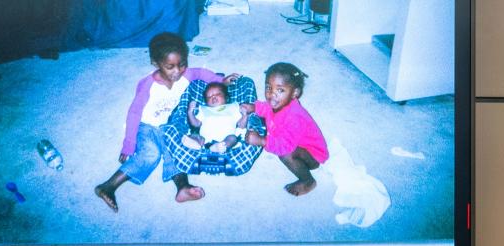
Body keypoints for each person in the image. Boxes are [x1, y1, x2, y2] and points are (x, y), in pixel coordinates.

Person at [94, 32, 241, 211]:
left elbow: (200, 73)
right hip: (145, 126)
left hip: (166, 126)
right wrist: (128, 144)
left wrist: (220, 81)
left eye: (182, 64)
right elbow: (134, 113)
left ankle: (182, 188)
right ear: (156, 64)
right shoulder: (148, 85)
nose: (177, 71)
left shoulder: (185, 74)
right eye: (170, 67)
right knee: (151, 154)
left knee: (175, 149)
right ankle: (108, 186)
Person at [243, 62, 329, 196]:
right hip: (297, 142)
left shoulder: (294, 117)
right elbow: (267, 107)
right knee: (266, 115)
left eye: (280, 90)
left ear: (295, 93)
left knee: (285, 155)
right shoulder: (280, 102)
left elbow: (284, 147)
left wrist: (261, 141)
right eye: (268, 87)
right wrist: (254, 107)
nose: (272, 94)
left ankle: (308, 181)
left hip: (312, 156)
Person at [181, 81, 250, 153]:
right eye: (209, 97)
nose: (213, 97)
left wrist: (245, 115)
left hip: (226, 138)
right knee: (196, 136)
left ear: (226, 97)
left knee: (233, 138)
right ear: (206, 102)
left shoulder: (233, 107)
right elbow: (196, 124)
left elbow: (241, 126)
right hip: (205, 141)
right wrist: (190, 112)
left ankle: (221, 147)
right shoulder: (204, 109)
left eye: (217, 94)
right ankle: (194, 144)